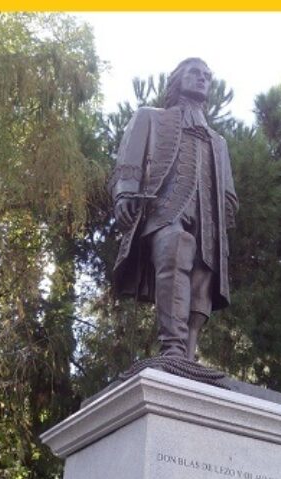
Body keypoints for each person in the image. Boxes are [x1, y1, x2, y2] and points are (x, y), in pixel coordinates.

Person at [111, 57, 238, 362]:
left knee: (202, 279)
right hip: (163, 210)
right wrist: (124, 193)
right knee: (176, 246)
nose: (203, 78)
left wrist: (227, 210)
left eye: (207, 75)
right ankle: (172, 346)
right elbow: (128, 162)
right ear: (177, 80)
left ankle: (188, 354)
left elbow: (228, 192)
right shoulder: (150, 118)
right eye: (195, 73)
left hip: (208, 219)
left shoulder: (217, 142)